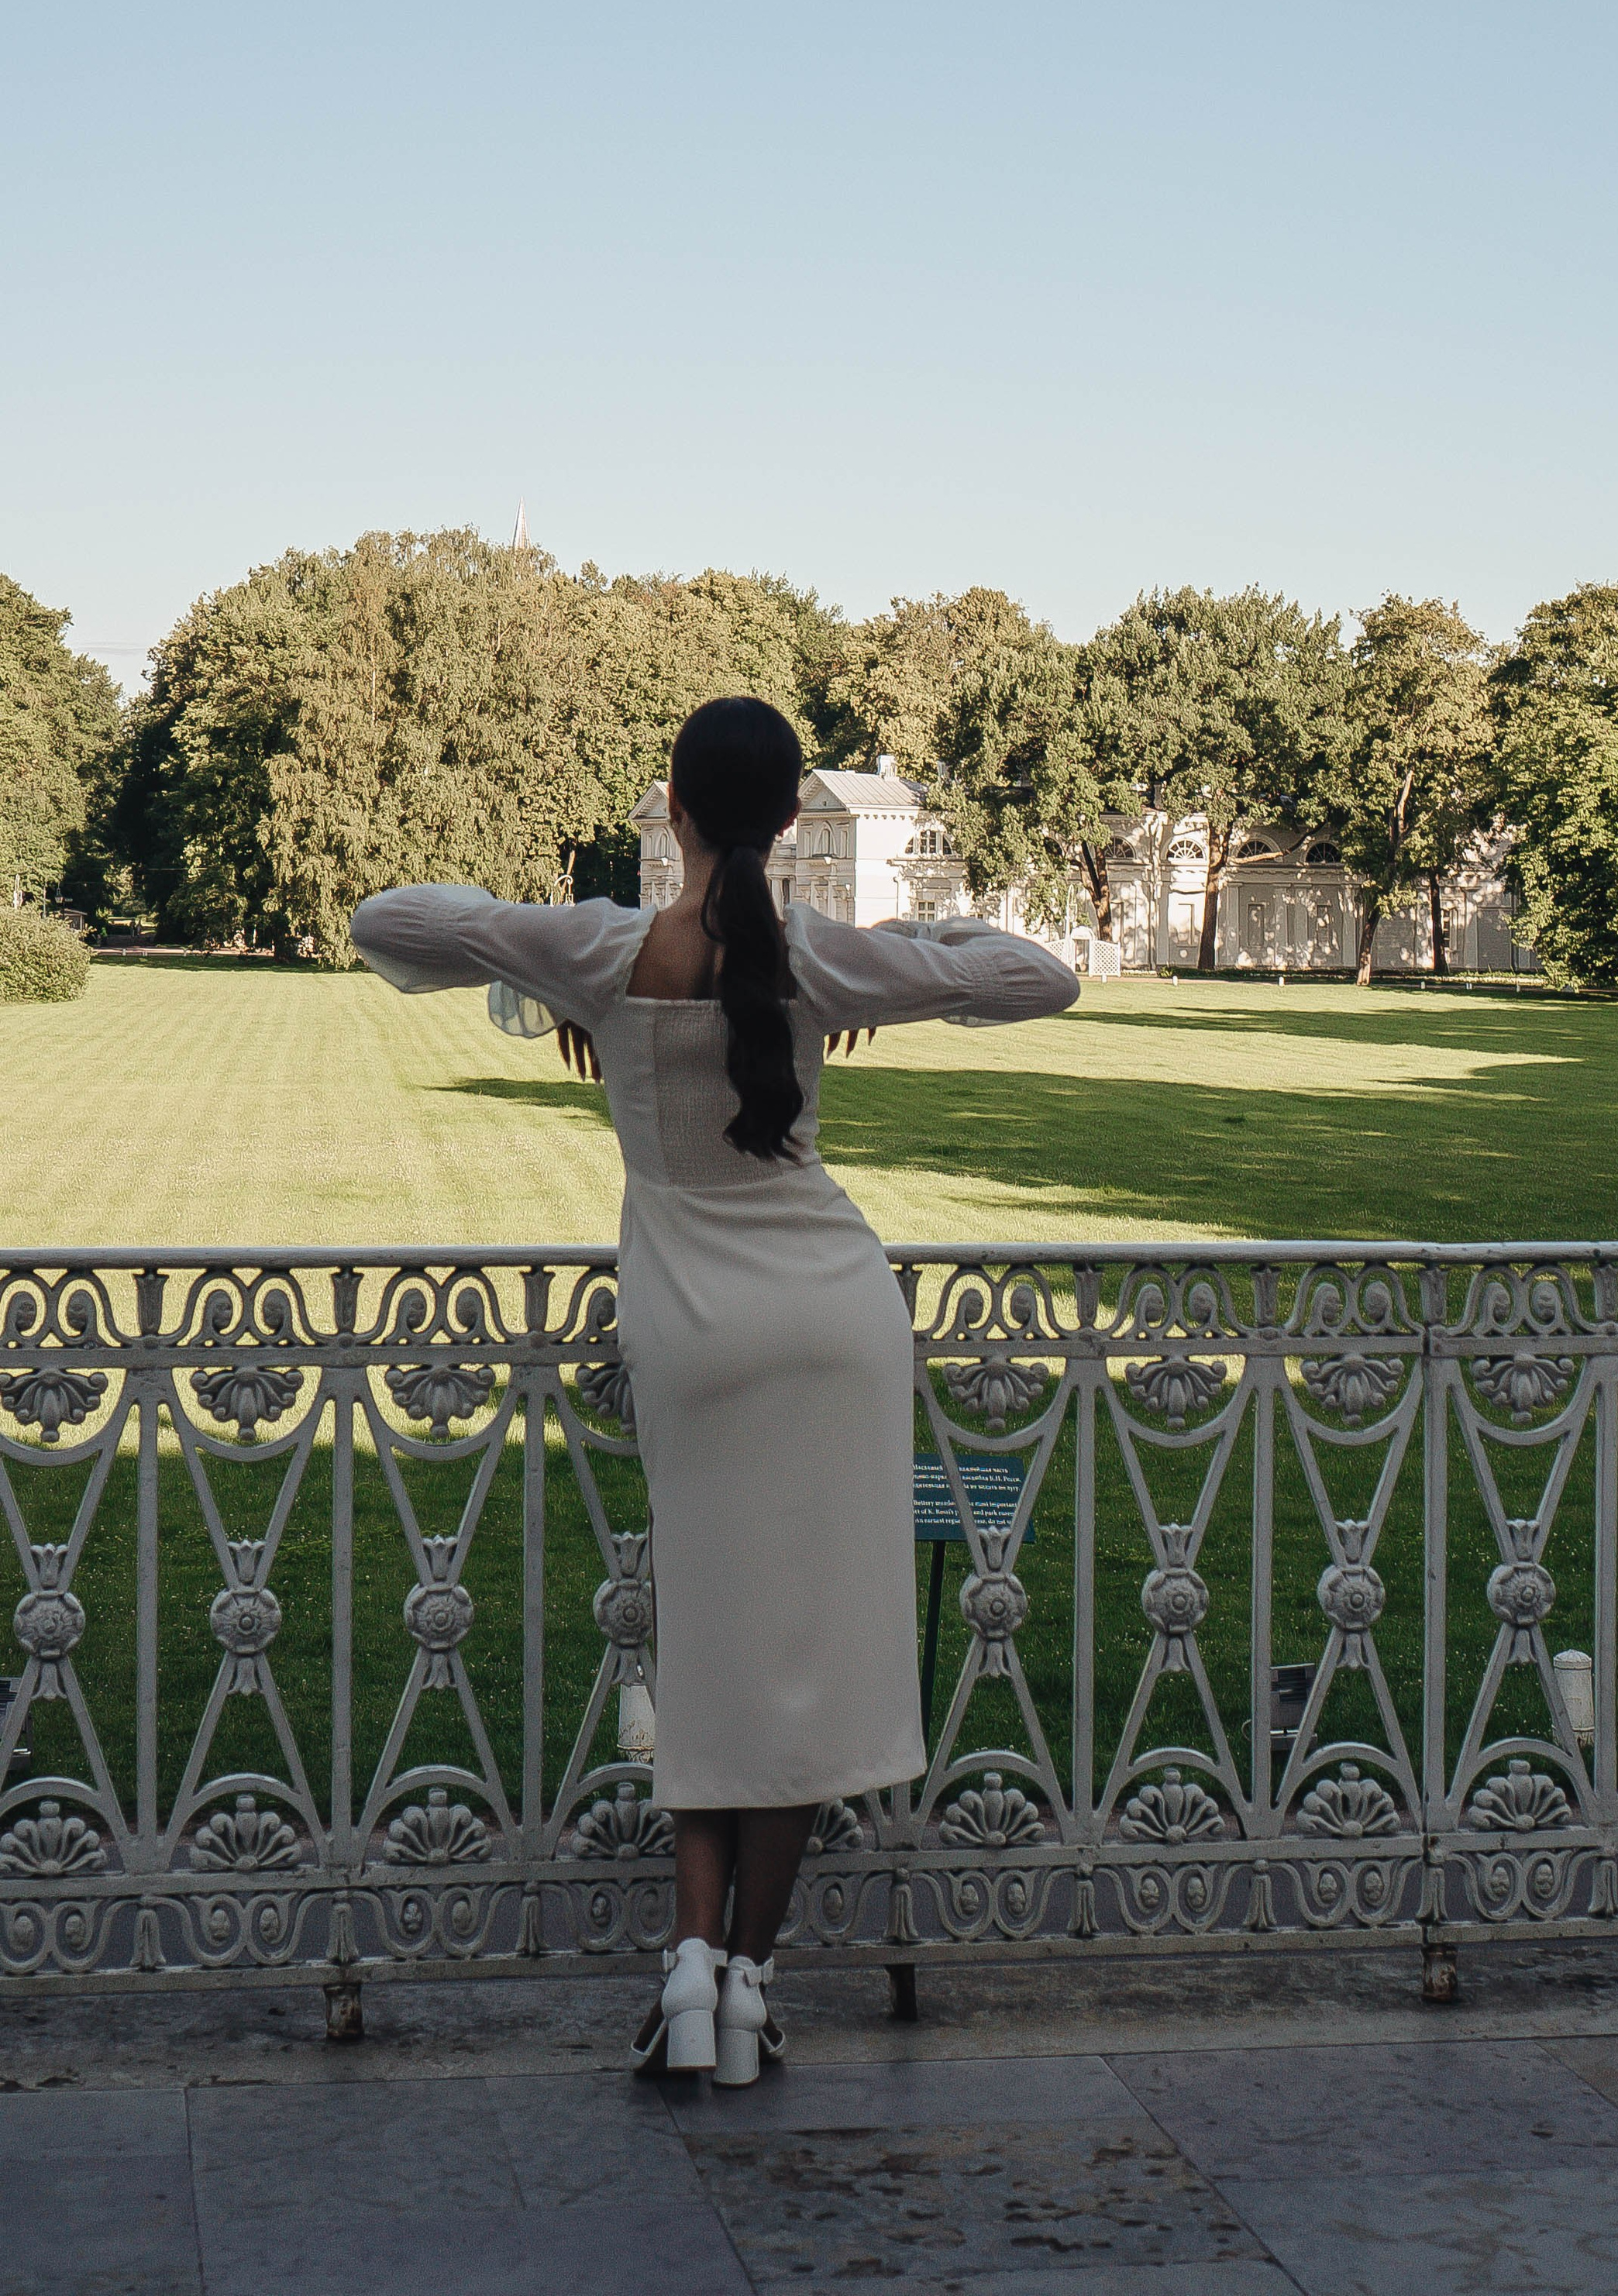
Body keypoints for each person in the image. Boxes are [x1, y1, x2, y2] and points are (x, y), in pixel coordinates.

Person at [349, 696, 1079, 2084]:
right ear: (794, 820)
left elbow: (391, 923)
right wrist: (897, 958)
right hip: (835, 1323)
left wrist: (545, 959)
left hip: (694, 1333)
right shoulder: (818, 958)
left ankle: (687, 1969)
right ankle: (747, 1980)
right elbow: (1041, 977)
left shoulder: (611, 951)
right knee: (803, 1668)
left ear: (671, 809)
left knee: (710, 1652)